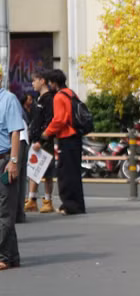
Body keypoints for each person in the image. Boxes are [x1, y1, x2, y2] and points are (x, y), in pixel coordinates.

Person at [42, 69, 85, 215]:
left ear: (54, 83)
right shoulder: (71, 93)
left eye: (50, 83)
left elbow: (60, 119)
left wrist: (47, 133)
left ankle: (69, 205)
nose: (49, 85)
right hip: (76, 137)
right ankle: (78, 204)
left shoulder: (59, 97)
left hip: (66, 138)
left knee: (65, 174)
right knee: (75, 173)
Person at [0, 76, 24, 271]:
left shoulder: (8, 99)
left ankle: (4, 256)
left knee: (5, 210)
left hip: (4, 160)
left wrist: (13, 161)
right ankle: (12, 256)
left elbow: (15, 132)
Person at [26, 71, 56, 213]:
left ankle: (48, 200)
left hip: (45, 142)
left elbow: (49, 121)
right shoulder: (38, 98)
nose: (33, 84)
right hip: (35, 140)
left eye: (34, 81)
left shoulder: (49, 99)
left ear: (42, 81)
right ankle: (32, 200)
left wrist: (42, 140)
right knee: (33, 171)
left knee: (47, 172)